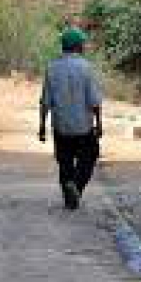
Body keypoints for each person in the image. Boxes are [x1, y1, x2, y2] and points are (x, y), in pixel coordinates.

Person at [39, 27, 103, 210]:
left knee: (64, 161)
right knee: (90, 156)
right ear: (77, 46)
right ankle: (76, 185)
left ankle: (69, 195)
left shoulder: (51, 68)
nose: (84, 46)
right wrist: (99, 124)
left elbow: (45, 101)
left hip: (61, 126)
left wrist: (42, 126)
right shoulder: (86, 68)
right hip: (83, 126)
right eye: (82, 43)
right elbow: (94, 101)